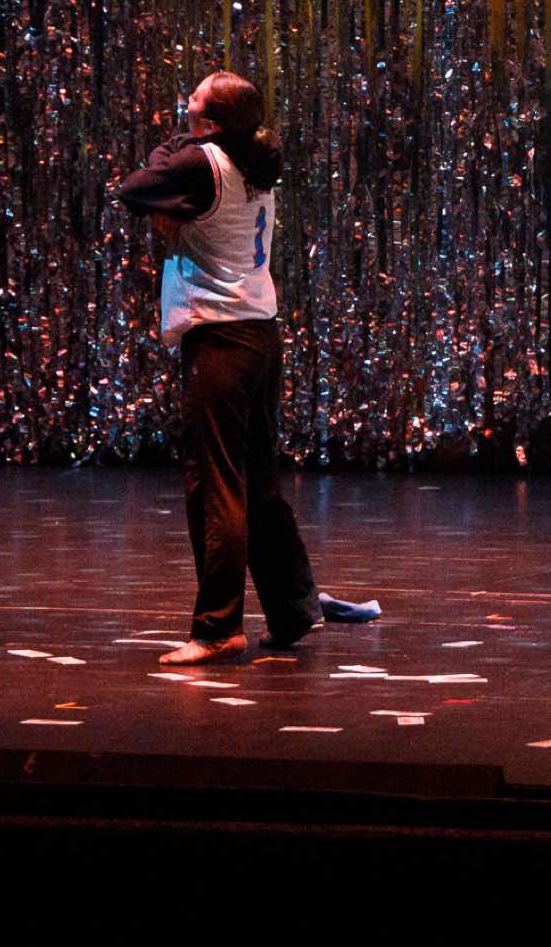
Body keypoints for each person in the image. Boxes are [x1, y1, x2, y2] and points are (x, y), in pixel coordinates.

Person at [115, 72, 356, 664]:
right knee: (258, 483)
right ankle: (293, 610)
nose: (185, 102)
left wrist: (179, 143)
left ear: (212, 120)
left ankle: (218, 626)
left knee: (216, 483)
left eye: (194, 100)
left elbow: (134, 189)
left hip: (221, 338)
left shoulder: (203, 164)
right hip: (259, 333)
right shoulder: (253, 161)